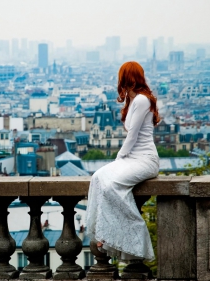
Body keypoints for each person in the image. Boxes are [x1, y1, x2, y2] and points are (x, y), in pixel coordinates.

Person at [85, 61, 160, 262]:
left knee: (112, 186)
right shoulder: (133, 100)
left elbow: (133, 135)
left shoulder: (142, 100)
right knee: (98, 177)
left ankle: (133, 235)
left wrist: (119, 158)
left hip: (144, 159)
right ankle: (103, 231)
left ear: (127, 77)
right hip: (132, 159)